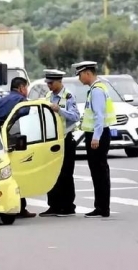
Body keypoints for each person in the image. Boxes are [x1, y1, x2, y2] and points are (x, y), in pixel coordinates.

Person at [73, 61, 117, 218]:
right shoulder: (97, 89)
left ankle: (102, 207)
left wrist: (96, 137)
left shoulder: (97, 91)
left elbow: (99, 116)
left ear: (87, 73)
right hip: (97, 133)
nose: (79, 78)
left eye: (80, 74)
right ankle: (101, 206)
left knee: (99, 172)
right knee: (98, 172)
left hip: (97, 134)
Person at [0, 77, 36, 218]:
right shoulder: (21, 102)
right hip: (13, 142)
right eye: (26, 88)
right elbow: (25, 116)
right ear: (21, 88)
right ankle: (20, 208)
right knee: (17, 175)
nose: (26, 91)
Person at [38, 69, 81, 217]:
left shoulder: (67, 96)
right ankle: (54, 205)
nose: (49, 86)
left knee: (66, 174)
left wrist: (60, 110)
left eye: (51, 83)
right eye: (47, 83)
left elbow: (75, 116)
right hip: (51, 141)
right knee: (52, 173)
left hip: (65, 139)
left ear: (59, 81)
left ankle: (68, 206)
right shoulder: (49, 96)